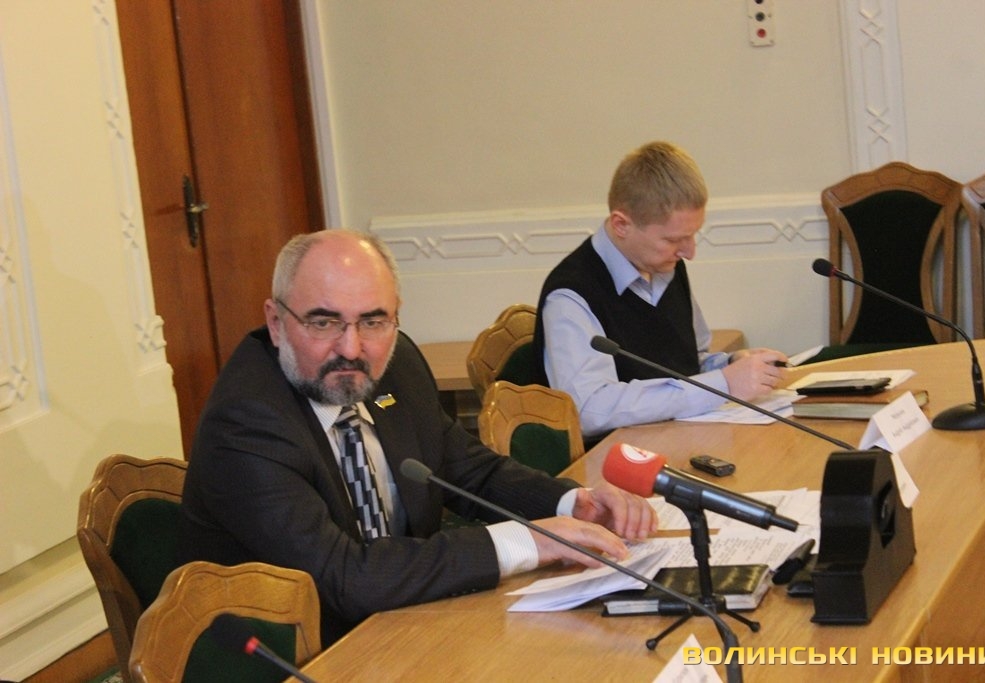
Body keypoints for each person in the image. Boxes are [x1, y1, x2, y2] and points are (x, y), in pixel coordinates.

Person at [178, 229, 657, 645]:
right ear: (276, 323)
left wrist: (573, 504)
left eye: (373, 321)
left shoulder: (397, 363)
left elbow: (470, 469)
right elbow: (347, 578)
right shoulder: (245, 425)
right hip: (307, 652)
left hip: (410, 620)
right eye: (323, 322)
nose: (351, 348)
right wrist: (530, 541)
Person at [535, 141, 788, 441]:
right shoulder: (570, 295)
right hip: (614, 458)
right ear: (621, 225)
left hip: (678, 439)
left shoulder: (665, 265)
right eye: (673, 240)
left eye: (692, 235)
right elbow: (589, 410)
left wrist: (731, 365)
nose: (689, 252)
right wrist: (723, 384)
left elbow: (688, 363)